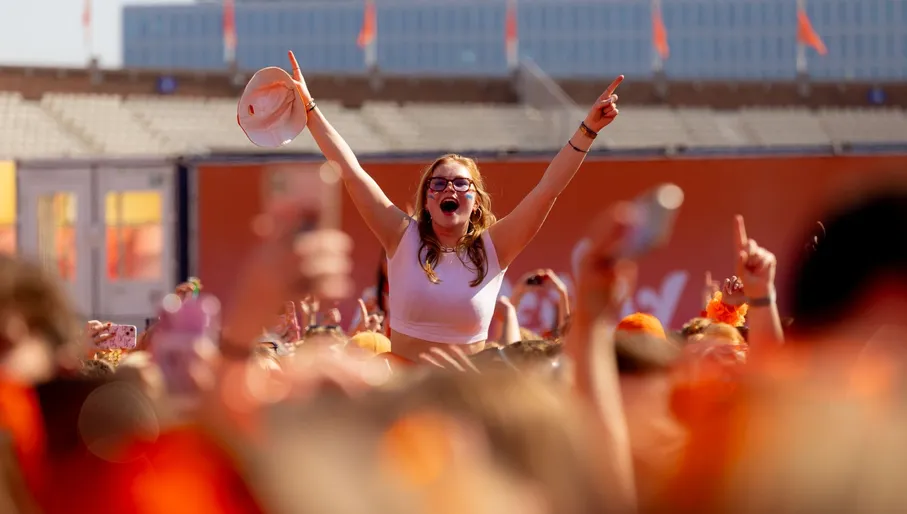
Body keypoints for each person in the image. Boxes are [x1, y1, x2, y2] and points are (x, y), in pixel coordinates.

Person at [286, 51, 623, 361]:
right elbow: (351, 172)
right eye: (438, 183)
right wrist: (310, 110)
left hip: (467, 400)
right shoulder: (401, 236)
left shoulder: (495, 249)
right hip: (403, 398)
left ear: (475, 202)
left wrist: (588, 129)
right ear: (427, 201)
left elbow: (547, 189)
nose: (449, 187)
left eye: (461, 183)